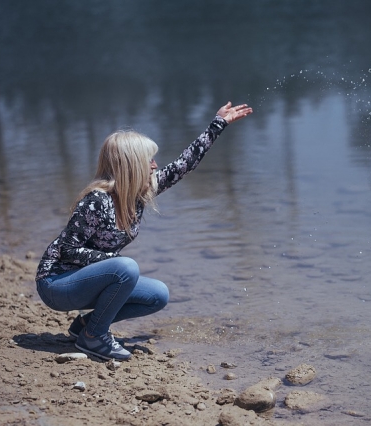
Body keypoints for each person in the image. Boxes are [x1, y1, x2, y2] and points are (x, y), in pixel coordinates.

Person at [35, 102, 253, 361]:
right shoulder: (96, 200)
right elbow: (68, 250)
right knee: (126, 268)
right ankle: (95, 338)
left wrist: (218, 124)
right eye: (148, 160)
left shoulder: (139, 194)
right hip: (57, 283)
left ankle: (85, 327)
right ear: (131, 166)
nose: (154, 165)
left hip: (88, 279)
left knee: (157, 295)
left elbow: (183, 165)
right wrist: (114, 263)